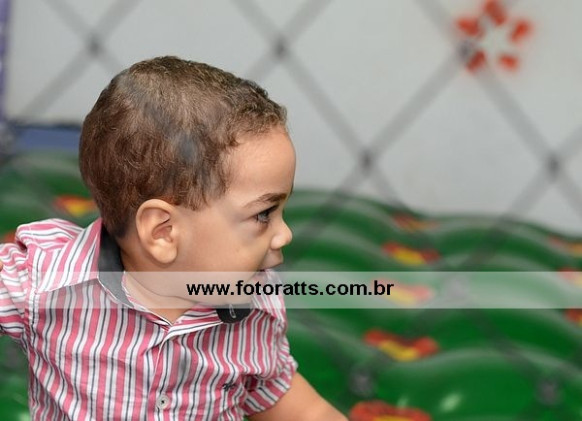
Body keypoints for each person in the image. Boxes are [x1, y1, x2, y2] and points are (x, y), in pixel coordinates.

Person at [0, 56, 347, 420]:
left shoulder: (255, 309)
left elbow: (289, 401)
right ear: (163, 232)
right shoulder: (45, 280)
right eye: (263, 214)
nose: (285, 234)